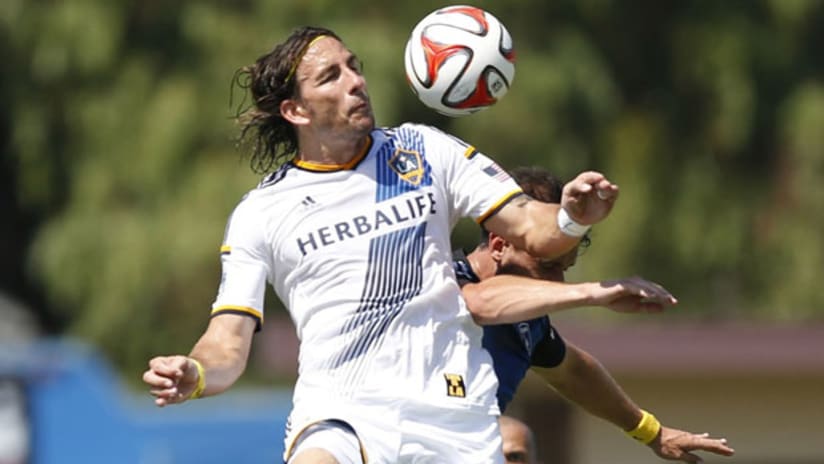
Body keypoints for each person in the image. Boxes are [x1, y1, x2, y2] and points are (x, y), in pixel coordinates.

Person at [142, 27, 620, 464]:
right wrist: (197, 373)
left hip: (454, 417)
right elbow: (227, 341)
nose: (355, 81)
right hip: (342, 411)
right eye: (332, 75)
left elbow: (532, 229)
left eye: (355, 66)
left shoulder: (426, 151)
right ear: (296, 110)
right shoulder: (261, 212)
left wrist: (572, 216)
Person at [456, 166, 735, 463]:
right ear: (500, 245)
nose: (558, 284)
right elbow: (478, 303)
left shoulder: (528, 323)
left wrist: (651, 432)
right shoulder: (435, 282)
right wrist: (592, 292)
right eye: (549, 266)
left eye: (565, 270)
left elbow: (573, 371)